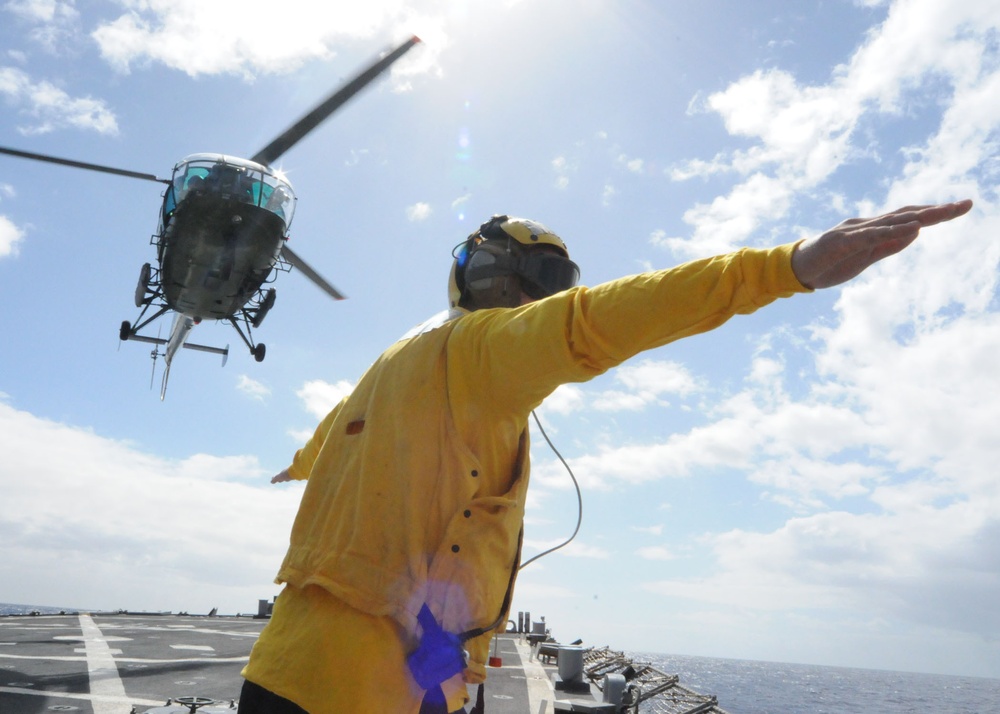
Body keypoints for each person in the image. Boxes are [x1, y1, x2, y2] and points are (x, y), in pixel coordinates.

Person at [238, 200, 973, 714]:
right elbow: (603, 322)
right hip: (366, 692)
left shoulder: (397, 362)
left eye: (547, 286)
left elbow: (336, 429)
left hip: (281, 668)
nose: (529, 298)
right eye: (527, 283)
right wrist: (784, 269)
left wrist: (301, 463)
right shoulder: (481, 353)